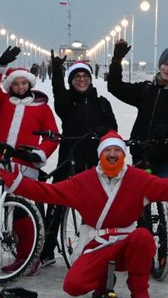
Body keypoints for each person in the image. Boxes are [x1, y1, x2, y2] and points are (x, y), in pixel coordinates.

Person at [0, 131, 168, 298]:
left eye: (117, 151)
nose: (112, 154)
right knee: (73, 286)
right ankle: (104, 282)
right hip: (97, 244)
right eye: (107, 151)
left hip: (127, 242)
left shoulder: (138, 179)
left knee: (143, 237)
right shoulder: (82, 182)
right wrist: (18, 184)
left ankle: (138, 288)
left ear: (123, 155)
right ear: (100, 154)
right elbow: (48, 193)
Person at [0, 47, 60, 274]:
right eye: (15, 84)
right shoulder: (3, 102)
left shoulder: (42, 108)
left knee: (22, 212)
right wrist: (0, 66)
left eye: (23, 84)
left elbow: (53, 136)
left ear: (29, 85)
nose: (19, 87)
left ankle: (28, 256)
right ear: (10, 87)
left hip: (25, 165)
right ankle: (6, 244)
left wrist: (41, 153)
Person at [40, 56, 118, 267]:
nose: (81, 79)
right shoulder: (67, 103)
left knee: (95, 205)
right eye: (77, 76)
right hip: (69, 157)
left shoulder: (102, 103)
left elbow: (112, 126)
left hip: (94, 160)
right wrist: (57, 73)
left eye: (85, 76)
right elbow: (59, 98)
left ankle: (94, 248)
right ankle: (46, 251)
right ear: (71, 80)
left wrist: (96, 132)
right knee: (57, 203)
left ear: (91, 79)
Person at [106, 40, 168, 178]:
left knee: (163, 196)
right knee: (138, 197)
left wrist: (165, 130)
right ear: (160, 65)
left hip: (165, 159)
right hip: (140, 156)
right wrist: (117, 61)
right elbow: (114, 86)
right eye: (166, 64)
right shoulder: (146, 90)